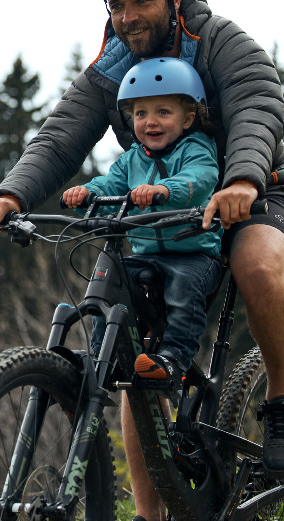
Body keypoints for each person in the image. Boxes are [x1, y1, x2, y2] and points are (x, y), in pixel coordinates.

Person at [0, 0, 284, 521]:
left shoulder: (219, 42)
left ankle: (282, 404)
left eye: (141, 0)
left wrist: (241, 180)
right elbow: (66, 128)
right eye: (117, 4)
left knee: (257, 267)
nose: (128, 15)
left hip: (254, 191)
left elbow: (257, 103)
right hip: (155, 213)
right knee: (126, 350)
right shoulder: (114, 62)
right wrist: (14, 189)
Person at [62, 57, 222, 394]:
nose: (150, 122)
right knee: (111, 287)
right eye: (140, 114)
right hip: (147, 255)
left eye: (163, 112)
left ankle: (172, 359)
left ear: (188, 117)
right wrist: (85, 193)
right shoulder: (131, 159)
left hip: (194, 254)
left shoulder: (197, 149)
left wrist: (165, 190)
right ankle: (103, 359)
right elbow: (109, 186)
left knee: (183, 289)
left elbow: (201, 178)